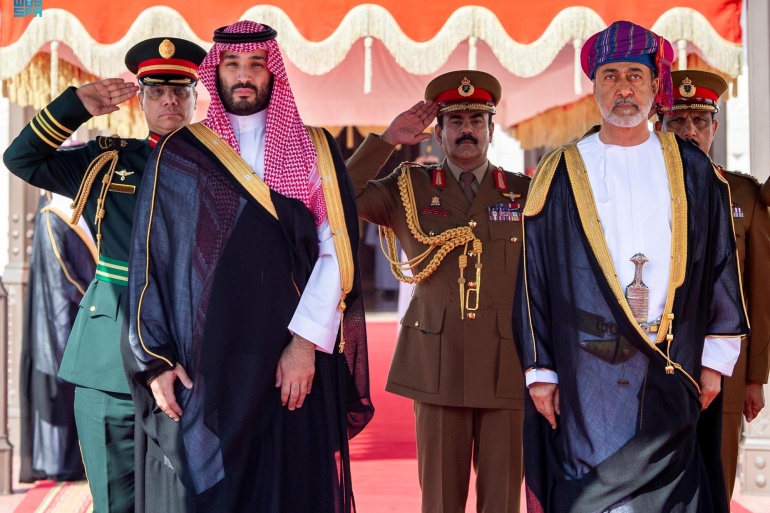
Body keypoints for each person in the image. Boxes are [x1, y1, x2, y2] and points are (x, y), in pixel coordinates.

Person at [122, 21, 372, 513]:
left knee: (293, 489)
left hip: (293, 362)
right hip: (211, 359)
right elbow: (152, 264)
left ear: (272, 74)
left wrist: (302, 345)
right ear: (215, 75)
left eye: (256, 65)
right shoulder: (181, 153)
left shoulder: (315, 148)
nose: (243, 76)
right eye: (232, 65)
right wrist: (156, 360)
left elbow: (336, 252)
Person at [513, 21, 748, 513]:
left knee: (670, 498)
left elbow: (721, 266)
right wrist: (541, 371)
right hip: (585, 375)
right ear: (593, 85)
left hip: (672, 361)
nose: (624, 88)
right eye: (612, 75)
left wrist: (714, 361)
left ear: (654, 84)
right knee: (590, 497)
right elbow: (534, 277)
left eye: (636, 76)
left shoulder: (693, 169)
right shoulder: (561, 170)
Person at [3, 36, 206, 512]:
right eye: (156, 91)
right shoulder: (108, 159)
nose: (169, 101)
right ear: (141, 99)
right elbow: (21, 160)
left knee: (183, 501)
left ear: (197, 98)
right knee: (113, 502)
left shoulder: (220, 172)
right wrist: (76, 107)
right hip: (107, 360)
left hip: (189, 363)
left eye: (180, 91)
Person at [346, 70, 530, 512]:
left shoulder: (523, 192)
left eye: (475, 119)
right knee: (440, 500)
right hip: (437, 362)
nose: (466, 129)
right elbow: (341, 195)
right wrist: (388, 139)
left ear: (491, 128)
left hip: (506, 364)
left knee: (502, 500)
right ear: (438, 131)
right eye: (455, 121)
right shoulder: (407, 188)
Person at [656, 69, 770, 498]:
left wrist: (756, 376)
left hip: (725, 362)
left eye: (699, 121)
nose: (689, 131)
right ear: (659, 127)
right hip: (658, 352)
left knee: (716, 473)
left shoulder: (742, 195)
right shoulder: (643, 191)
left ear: (714, 128)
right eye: (677, 121)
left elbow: (758, 295)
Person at [19, 191, 95, 482]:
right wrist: (96, 292)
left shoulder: (74, 210)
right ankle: (61, 464)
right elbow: (63, 272)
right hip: (60, 316)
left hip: (79, 310)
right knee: (60, 386)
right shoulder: (52, 215)